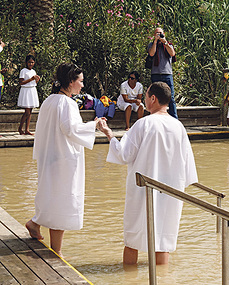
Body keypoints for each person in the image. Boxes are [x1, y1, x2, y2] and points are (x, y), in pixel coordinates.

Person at [97, 81, 198, 265]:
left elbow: (123, 155)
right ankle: (162, 278)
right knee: (163, 241)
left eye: (146, 97)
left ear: (153, 98)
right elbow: (188, 168)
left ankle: (129, 277)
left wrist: (108, 133)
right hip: (169, 190)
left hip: (142, 190)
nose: (144, 100)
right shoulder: (178, 127)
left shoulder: (143, 124)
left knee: (132, 239)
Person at [25, 63, 103, 256]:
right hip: (63, 158)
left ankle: (34, 223)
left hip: (49, 156)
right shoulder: (67, 103)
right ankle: (56, 251)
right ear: (71, 81)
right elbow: (72, 129)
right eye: (81, 81)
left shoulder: (49, 100)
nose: (82, 86)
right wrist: (94, 125)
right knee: (62, 199)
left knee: (50, 193)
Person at [147, 27, 178, 119]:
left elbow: (172, 54)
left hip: (167, 74)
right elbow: (151, 54)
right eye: (157, 33)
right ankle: (154, 116)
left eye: (160, 33)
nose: (159, 35)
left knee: (171, 97)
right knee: (154, 97)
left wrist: (165, 42)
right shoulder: (152, 44)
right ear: (154, 35)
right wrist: (155, 42)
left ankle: (174, 118)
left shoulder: (168, 45)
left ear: (164, 33)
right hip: (155, 74)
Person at [18, 54, 40, 135]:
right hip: (26, 91)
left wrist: (36, 80)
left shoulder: (33, 71)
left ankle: (27, 129)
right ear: (26, 62)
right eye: (29, 62)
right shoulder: (23, 71)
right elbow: (21, 82)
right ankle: (20, 128)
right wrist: (31, 79)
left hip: (32, 90)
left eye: (32, 62)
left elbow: (33, 82)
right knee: (27, 112)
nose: (31, 64)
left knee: (30, 111)